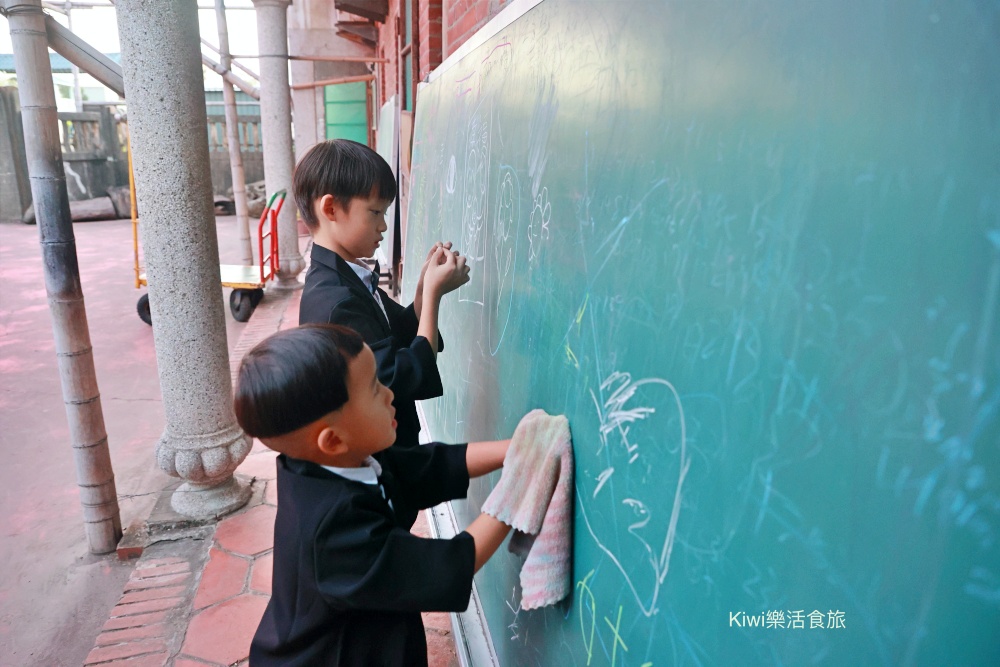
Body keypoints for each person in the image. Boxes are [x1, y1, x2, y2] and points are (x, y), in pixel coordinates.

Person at [234, 323, 511, 667]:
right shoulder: (333, 529)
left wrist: (512, 451)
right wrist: (517, 493)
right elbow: (442, 568)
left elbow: (427, 467)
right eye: (374, 389)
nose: (390, 393)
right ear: (332, 440)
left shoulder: (347, 457)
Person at [294, 139, 466, 475]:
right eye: (375, 212)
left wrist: (420, 291)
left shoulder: (345, 276)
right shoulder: (335, 300)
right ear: (330, 209)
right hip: (380, 465)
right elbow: (399, 375)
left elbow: (393, 332)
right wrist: (432, 296)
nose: (384, 226)